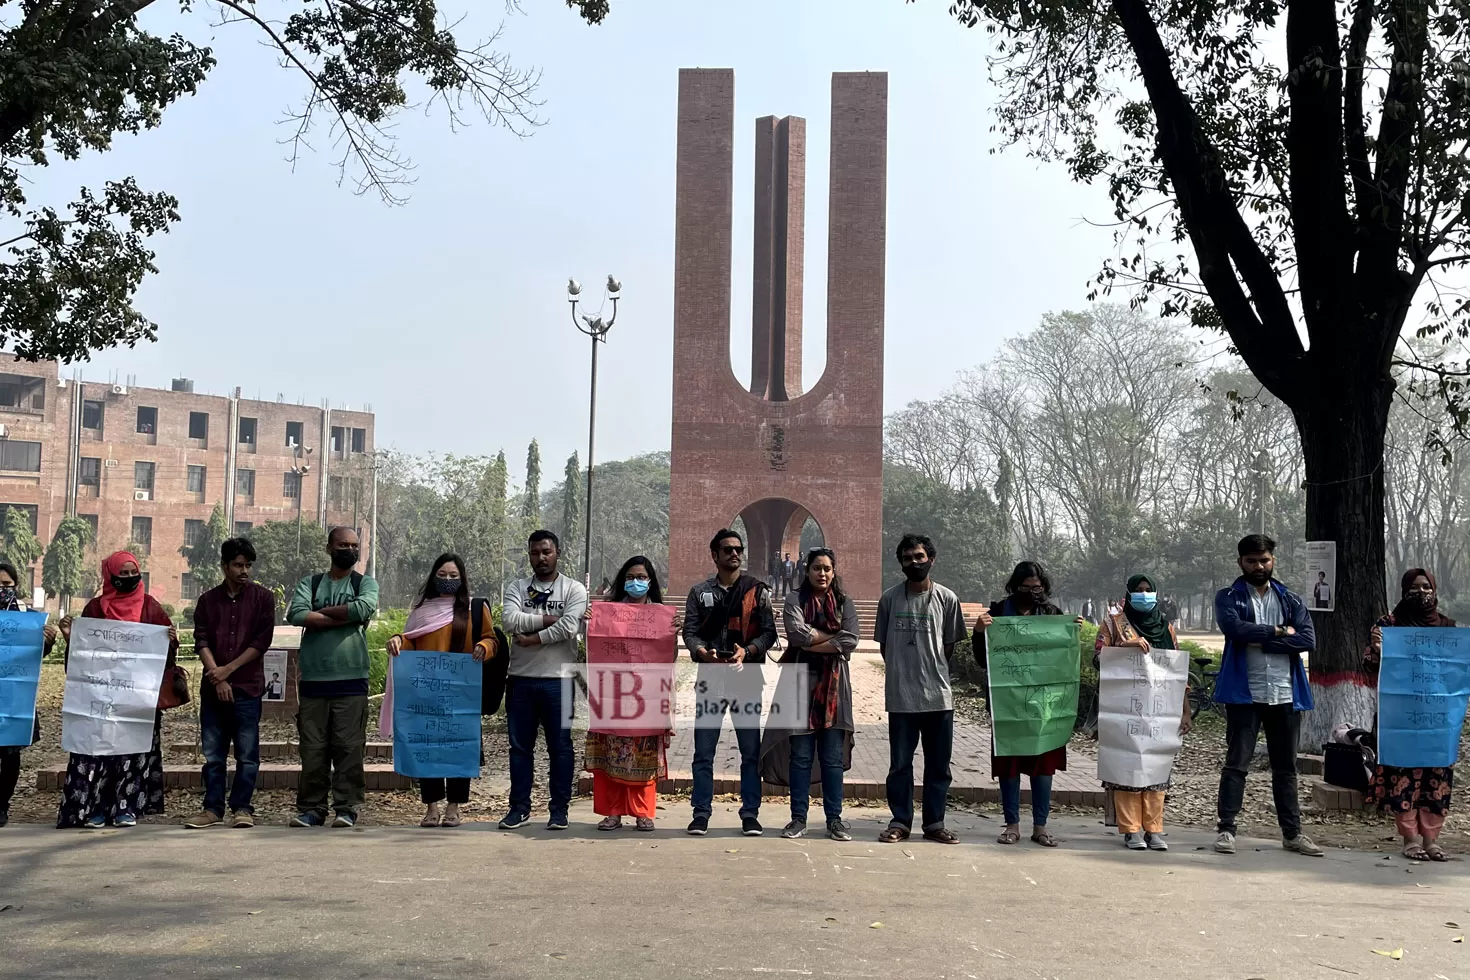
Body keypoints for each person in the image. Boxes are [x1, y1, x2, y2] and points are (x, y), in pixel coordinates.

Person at [1212, 533, 1322, 857]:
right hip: (1246, 694)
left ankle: (1293, 834)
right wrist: (1277, 631)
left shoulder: (1290, 599)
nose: (1259, 566)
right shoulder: (1228, 597)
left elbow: (1307, 639)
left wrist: (1262, 640)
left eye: (1264, 560)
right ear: (1240, 563)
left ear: (1273, 560)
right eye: (1252, 561)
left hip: (1285, 694)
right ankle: (1226, 830)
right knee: (1236, 764)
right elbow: (1234, 630)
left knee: (1286, 768)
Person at [56, 551, 180, 829]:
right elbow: (81, 656)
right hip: (99, 698)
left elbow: (165, 659)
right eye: (121, 574)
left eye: (131, 573)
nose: (128, 578)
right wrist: (71, 638)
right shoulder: (95, 609)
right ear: (110, 575)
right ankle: (97, 808)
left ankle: (126, 808)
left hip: (138, 699)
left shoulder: (150, 608)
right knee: (98, 751)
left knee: (132, 753)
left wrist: (170, 640)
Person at [386, 553, 498, 828]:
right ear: (434, 577)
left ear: (462, 580)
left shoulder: (475, 608)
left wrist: (484, 648)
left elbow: (491, 639)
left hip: (461, 693)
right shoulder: (421, 610)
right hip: (427, 692)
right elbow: (411, 642)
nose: (448, 580)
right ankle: (431, 807)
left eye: (453, 576)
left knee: (458, 748)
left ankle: (454, 808)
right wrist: (398, 640)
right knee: (429, 749)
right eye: (443, 575)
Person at [973, 561, 1077, 848]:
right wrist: (980, 632)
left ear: (1044, 587)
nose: (1031, 592)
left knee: (1043, 768)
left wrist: (1072, 632)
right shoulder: (997, 614)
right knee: (1009, 765)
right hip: (1008, 705)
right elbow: (983, 661)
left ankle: (1041, 826)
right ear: (1014, 587)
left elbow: (1064, 661)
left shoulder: (1053, 615)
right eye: (1025, 587)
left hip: (1046, 707)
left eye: (1037, 587)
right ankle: (1012, 824)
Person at [682, 528, 778, 837]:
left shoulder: (757, 591)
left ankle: (750, 813)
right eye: (727, 550)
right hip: (711, 677)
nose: (734, 553)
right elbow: (690, 631)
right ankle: (701, 813)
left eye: (738, 548)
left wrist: (747, 651)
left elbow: (769, 633)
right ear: (715, 555)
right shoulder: (699, 592)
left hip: (745, 677)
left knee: (750, 751)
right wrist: (701, 652)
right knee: (703, 752)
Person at [761, 548, 858, 841]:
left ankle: (835, 820)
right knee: (801, 756)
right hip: (800, 683)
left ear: (834, 571)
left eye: (827, 568)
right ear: (807, 570)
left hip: (834, 687)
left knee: (831, 756)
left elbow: (851, 639)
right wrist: (833, 638)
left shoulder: (844, 603)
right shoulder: (795, 599)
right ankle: (798, 818)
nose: (822, 573)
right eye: (817, 568)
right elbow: (796, 636)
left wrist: (813, 640)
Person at [875, 534, 966, 845]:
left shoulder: (947, 599)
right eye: (907, 558)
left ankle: (934, 823)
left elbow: (949, 646)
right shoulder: (889, 599)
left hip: (938, 697)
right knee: (900, 765)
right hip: (901, 697)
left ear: (931, 559)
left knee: (938, 765)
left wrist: (929, 669)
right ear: (900, 562)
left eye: (919, 556)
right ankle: (900, 821)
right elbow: (886, 647)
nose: (914, 562)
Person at [286, 527, 379, 829]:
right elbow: (297, 614)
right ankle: (312, 808)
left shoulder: (365, 583)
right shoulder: (310, 583)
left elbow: (364, 607)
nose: (349, 550)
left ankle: (347, 807)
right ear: (329, 548)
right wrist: (343, 616)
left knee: (349, 748)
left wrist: (321, 614)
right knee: (313, 750)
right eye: (342, 544)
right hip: (313, 681)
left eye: (354, 545)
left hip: (351, 680)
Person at [1092, 573, 1192, 850]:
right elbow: (1098, 659)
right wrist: (1124, 647)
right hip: (1125, 707)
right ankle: (1130, 828)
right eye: (1138, 590)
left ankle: (1154, 828)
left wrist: (1186, 710)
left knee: (1157, 768)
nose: (1144, 594)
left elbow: (1177, 674)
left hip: (1161, 709)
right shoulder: (1114, 624)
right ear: (1129, 593)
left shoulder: (1166, 629)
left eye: (1149, 590)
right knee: (1127, 766)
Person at [499, 530, 587, 831]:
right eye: (535, 553)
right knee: (519, 749)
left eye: (546, 552)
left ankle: (559, 811)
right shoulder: (517, 587)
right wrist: (550, 620)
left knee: (560, 748)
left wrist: (532, 638)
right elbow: (509, 620)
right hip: (520, 680)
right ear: (529, 555)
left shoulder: (574, 589)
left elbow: (570, 627)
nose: (541, 558)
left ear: (558, 552)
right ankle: (519, 808)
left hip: (559, 681)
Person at [1365, 569, 1456, 861]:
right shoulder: (1389, 626)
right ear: (1404, 590)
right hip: (1401, 717)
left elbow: (1457, 673)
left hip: (1438, 719)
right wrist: (1380, 651)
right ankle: (1410, 839)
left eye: (1426, 586)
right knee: (1404, 777)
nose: (1420, 592)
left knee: (1436, 777)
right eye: (1414, 587)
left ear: (1435, 589)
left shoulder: (1447, 628)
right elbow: (1368, 669)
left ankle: (1432, 839)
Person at [185, 538, 276, 829]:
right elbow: (201, 640)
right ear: (224, 566)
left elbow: (261, 642)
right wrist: (216, 675)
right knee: (214, 755)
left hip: (248, 688)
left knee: (247, 754)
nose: (244, 570)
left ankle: (242, 808)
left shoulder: (263, 598)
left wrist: (228, 671)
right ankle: (212, 809)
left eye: (248, 565)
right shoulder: (208, 601)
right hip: (214, 691)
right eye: (238, 565)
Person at [586, 556, 674, 832]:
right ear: (623, 580)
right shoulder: (607, 614)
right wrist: (588, 622)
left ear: (651, 581)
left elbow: (669, 658)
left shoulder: (661, 616)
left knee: (643, 753)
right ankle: (612, 813)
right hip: (613, 695)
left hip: (646, 697)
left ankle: (642, 812)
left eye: (642, 577)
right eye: (631, 576)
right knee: (612, 751)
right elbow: (593, 650)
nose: (636, 582)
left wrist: (674, 632)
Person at [0, 561, 57, 828]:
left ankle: (2, 805)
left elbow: (34, 658)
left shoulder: (27, 616)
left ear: (15, 586)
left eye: (6, 585)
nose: (2, 590)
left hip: (14, 696)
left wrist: (47, 642)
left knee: (10, 754)